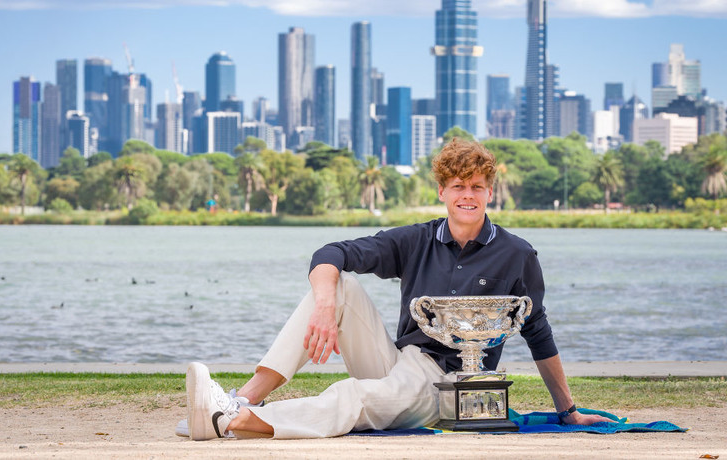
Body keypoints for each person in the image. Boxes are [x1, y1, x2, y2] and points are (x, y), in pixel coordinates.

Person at [180, 139, 614, 440]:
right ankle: (240, 399)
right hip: (397, 360)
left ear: (490, 192)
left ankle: (234, 421)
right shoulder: (415, 240)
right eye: (458, 186)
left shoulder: (517, 254)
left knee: (354, 395)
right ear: (442, 190)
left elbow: (537, 330)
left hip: (447, 382)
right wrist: (325, 305)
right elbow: (331, 251)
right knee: (338, 283)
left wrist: (567, 411)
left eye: (477, 186)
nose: (468, 195)